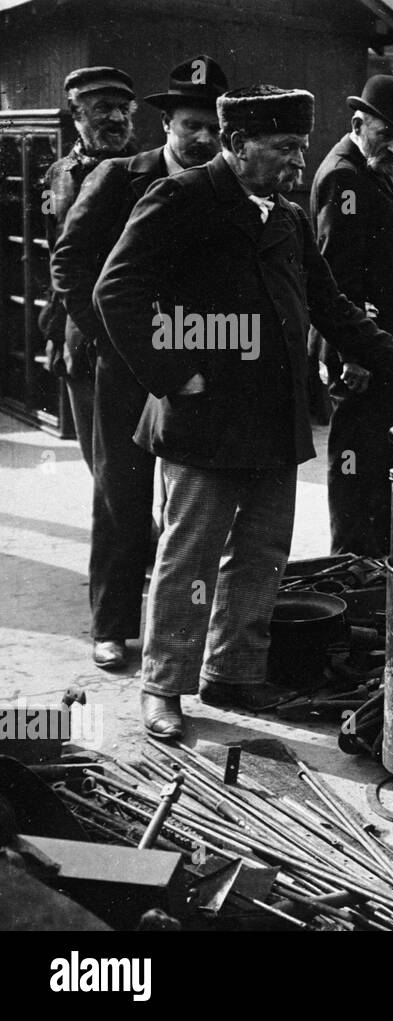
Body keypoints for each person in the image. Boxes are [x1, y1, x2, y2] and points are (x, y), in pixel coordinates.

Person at [92, 85, 393, 740]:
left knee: (260, 553)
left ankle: (232, 671)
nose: (296, 161)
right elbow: (114, 288)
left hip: (270, 419)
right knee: (188, 555)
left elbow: (334, 308)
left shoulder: (284, 216)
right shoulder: (182, 198)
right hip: (202, 419)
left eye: (300, 147)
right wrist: (173, 370)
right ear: (236, 144)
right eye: (284, 147)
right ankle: (163, 685)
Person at [50, 54, 227, 672]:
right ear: (166, 126)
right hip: (124, 367)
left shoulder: (222, 190)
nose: (201, 138)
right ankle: (113, 625)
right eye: (188, 126)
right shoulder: (120, 178)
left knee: (192, 504)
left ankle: (178, 632)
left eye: (212, 127)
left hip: (197, 367)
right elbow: (70, 269)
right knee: (122, 494)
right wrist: (113, 341)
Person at [310, 74, 393, 556]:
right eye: (387, 134)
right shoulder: (344, 175)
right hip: (360, 350)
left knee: (376, 458)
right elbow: (336, 275)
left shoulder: (369, 168)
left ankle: (373, 564)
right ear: (358, 123)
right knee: (357, 462)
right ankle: (354, 567)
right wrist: (352, 354)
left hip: (376, 344)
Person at [42, 66, 139, 467]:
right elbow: (56, 257)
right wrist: (53, 331)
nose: (116, 119)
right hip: (80, 328)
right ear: (77, 113)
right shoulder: (57, 175)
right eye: (103, 108)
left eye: (123, 109)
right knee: (98, 456)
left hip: (140, 325)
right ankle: (134, 531)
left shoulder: (147, 172)